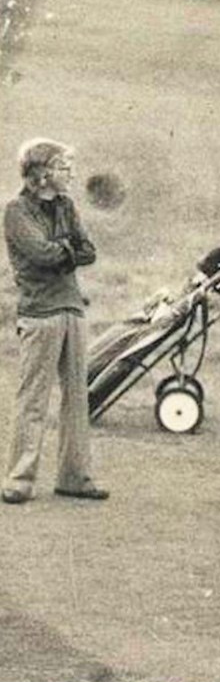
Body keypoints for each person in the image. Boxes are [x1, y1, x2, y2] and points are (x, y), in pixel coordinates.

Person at [2, 138, 107, 505]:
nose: (72, 174)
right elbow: (42, 254)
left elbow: (88, 251)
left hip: (71, 309)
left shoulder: (67, 206)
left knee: (78, 397)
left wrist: (62, 250)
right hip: (40, 313)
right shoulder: (16, 211)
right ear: (43, 173)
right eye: (65, 167)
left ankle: (75, 477)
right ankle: (19, 479)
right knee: (33, 399)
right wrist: (67, 250)